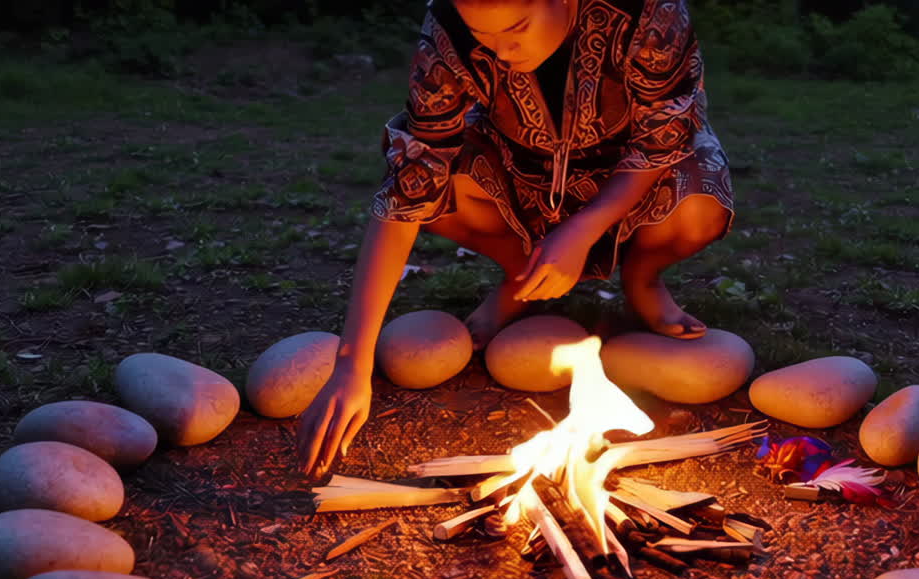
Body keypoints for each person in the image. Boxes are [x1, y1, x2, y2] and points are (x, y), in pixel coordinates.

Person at [298, 0, 734, 475]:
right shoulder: (448, 25)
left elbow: (661, 137)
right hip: (520, 170)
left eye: (518, 28)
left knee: (700, 206)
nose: (503, 52)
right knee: (432, 182)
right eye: (485, 38)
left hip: (632, 172)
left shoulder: (648, 12)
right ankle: (522, 274)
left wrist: (582, 227)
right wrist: (352, 363)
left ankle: (643, 279)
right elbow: (410, 183)